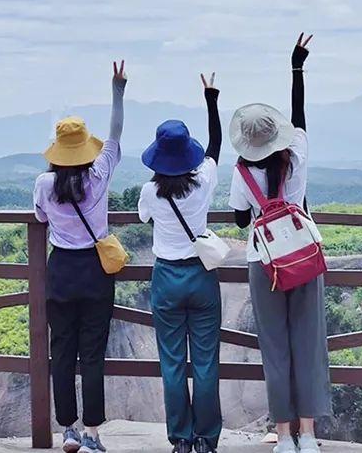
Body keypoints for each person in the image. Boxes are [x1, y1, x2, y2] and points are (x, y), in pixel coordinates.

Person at [228, 34, 331, 453]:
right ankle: (309, 435)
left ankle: (284, 437)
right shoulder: (299, 155)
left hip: (264, 261)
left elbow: (239, 219)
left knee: (275, 347)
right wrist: (296, 66)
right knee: (307, 343)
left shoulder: (240, 175)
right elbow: (300, 116)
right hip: (303, 258)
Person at [33, 61, 128, 453]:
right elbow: (116, 132)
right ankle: (92, 435)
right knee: (92, 355)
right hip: (94, 271)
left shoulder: (43, 184)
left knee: (61, 354)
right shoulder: (100, 174)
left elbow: (40, 217)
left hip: (60, 270)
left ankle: (67, 430)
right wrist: (117, 89)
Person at [138, 73, 223, 453]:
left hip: (166, 278)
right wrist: (211, 98)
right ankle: (206, 439)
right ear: (188, 152)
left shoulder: (149, 192)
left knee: (173, 364)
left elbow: (143, 217)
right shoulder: (204, 181)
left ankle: (182, 440)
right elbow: (216, 145)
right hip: (201, 277)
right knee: (205, 363)